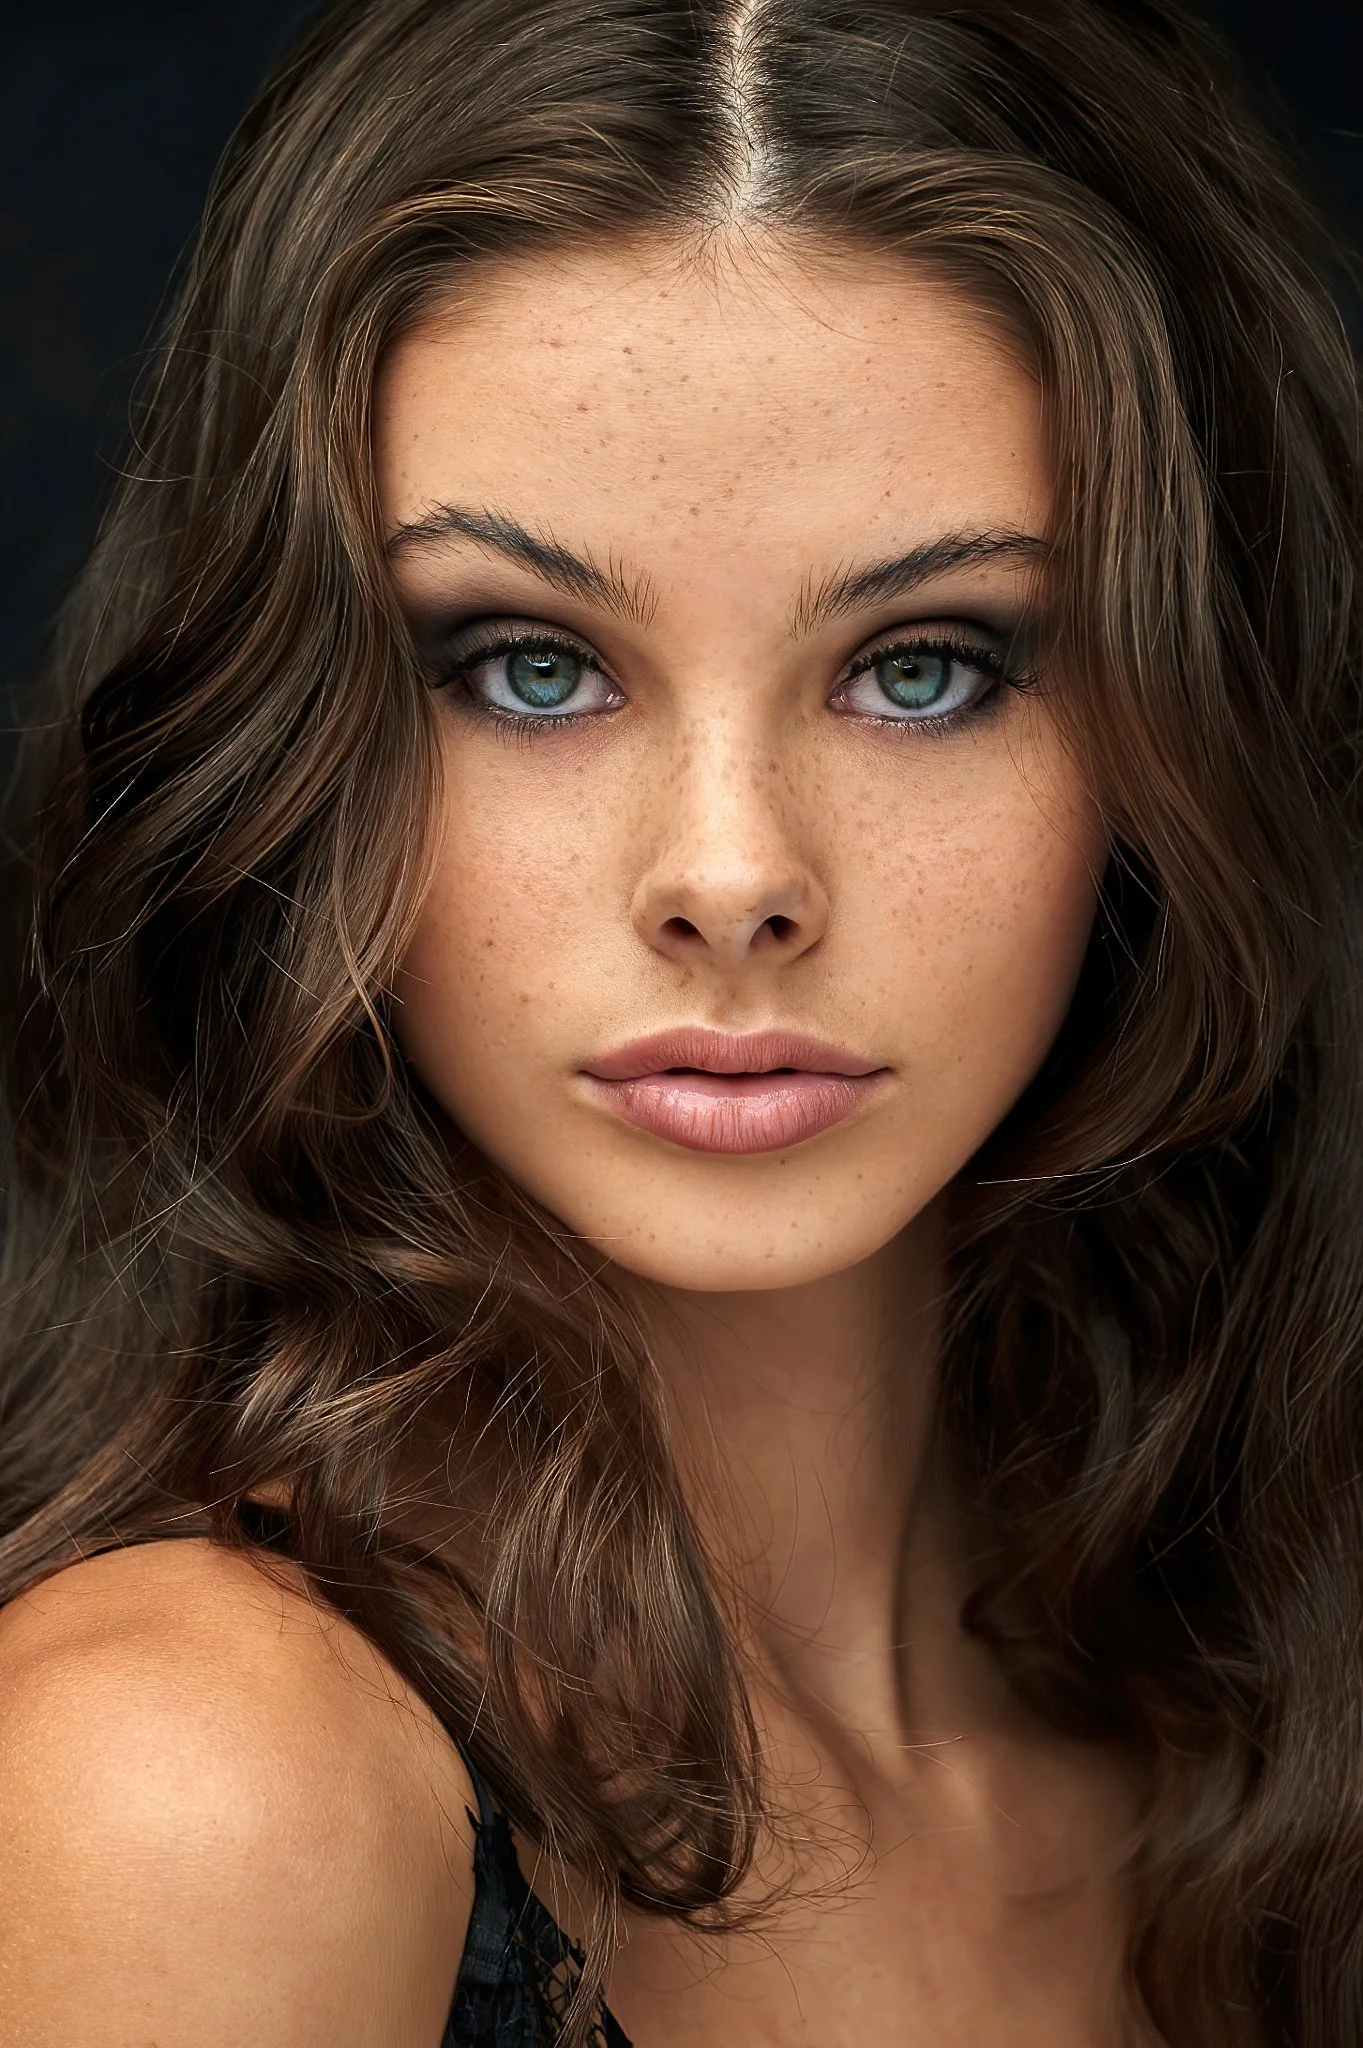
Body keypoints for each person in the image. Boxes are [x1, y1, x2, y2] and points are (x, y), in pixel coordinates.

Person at [1, 0, 1360, 2042]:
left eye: (925, 667)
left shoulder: (1253, 1724)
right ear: (290, 742)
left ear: (1180, 735)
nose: (730, 876)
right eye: (530, 667)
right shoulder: (194, 1776)